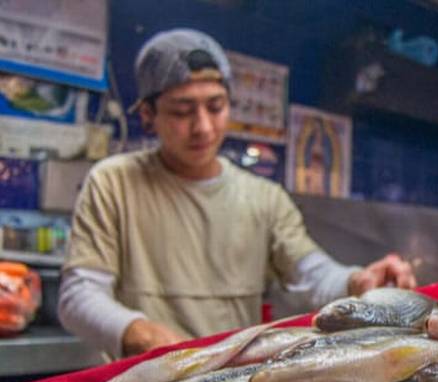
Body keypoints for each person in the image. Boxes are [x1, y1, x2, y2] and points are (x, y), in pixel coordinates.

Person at [58, 29, 416, 358]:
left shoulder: (264, 198)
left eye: (215, 107)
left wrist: (358, 280)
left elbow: (311, 274)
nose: (203, 126)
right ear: (149, 114)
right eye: (183, 111)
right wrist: (140, 333)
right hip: (144, 380)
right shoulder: (114, 183)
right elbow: (79, 295)